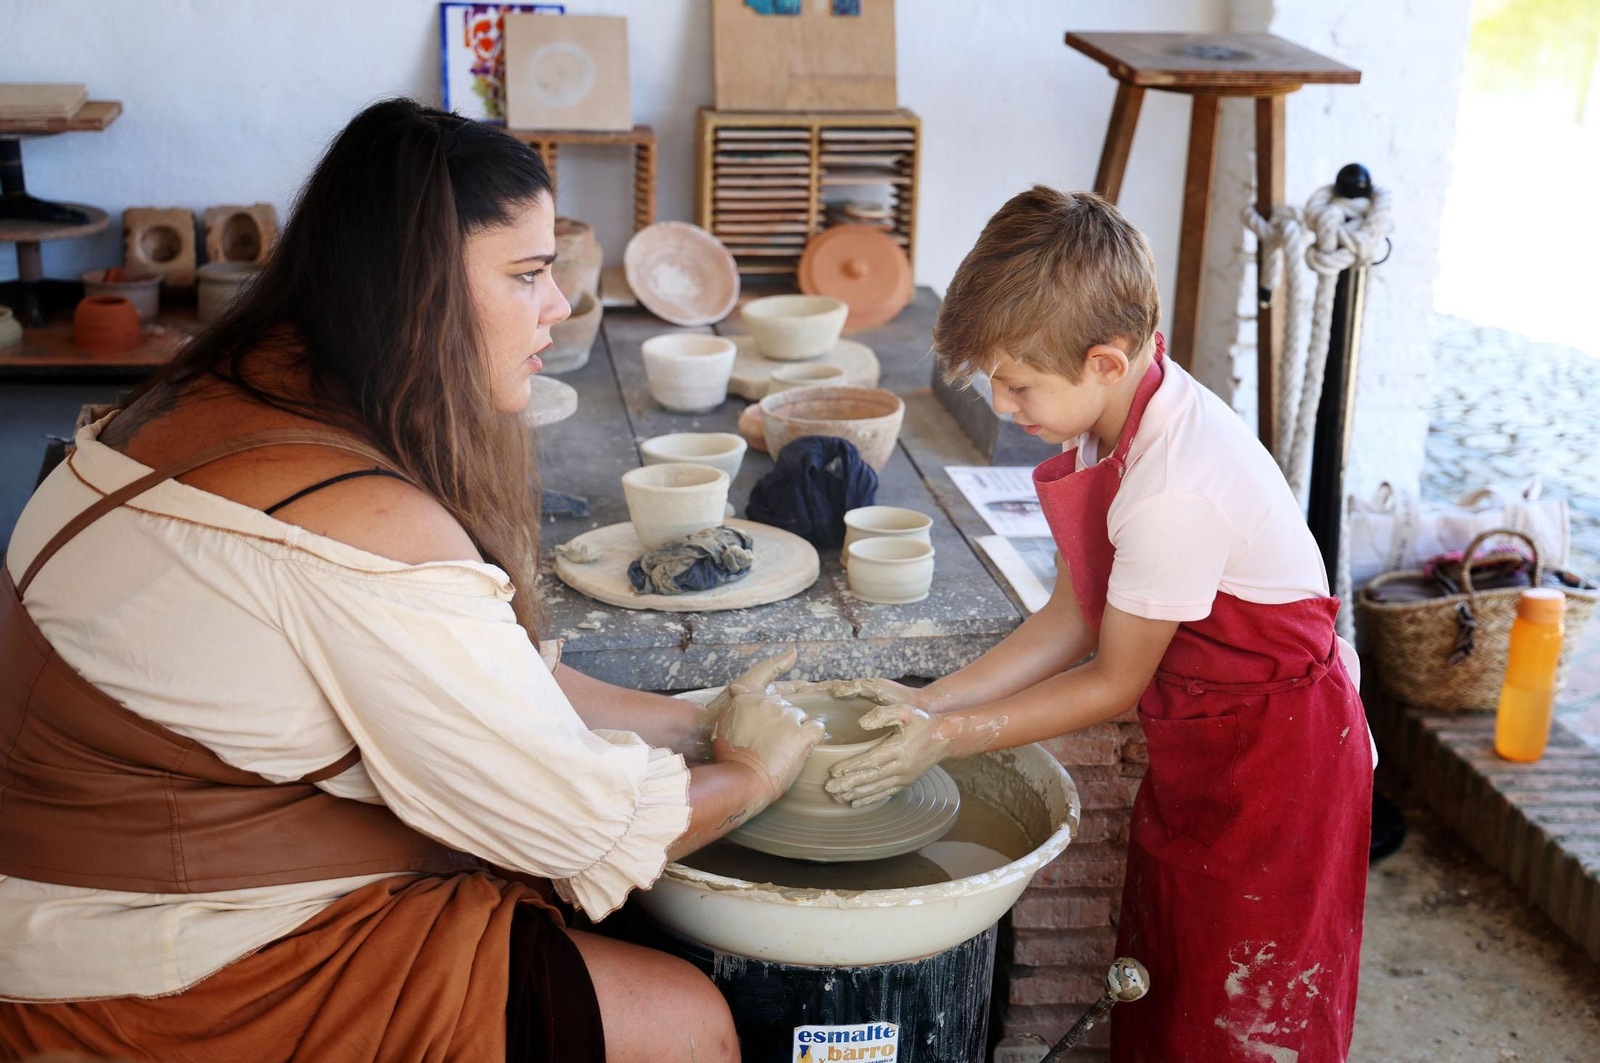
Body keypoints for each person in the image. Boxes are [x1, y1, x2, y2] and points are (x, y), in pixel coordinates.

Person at [0, 98, 823, 1062]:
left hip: (99, 903)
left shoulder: (219, 394)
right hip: (147, 972)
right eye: (526, 276)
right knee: (680, 1019)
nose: (557, 307)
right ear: (413, 292)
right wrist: (760, 774)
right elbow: (580, 826)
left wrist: (701, 717)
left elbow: (499, 684)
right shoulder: (359, 524)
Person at [822, 188, 1375, 1062]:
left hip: (1282, 761)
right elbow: (1070, 617)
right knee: (1170, 974)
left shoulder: (1172, 487)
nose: (1003, 406)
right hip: (1207, 738)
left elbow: (1114, 678)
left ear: (1108, 361)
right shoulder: (1113, 415)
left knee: (1247, 1007)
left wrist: (950, 736)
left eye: (1018, 384)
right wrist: (927, 701)